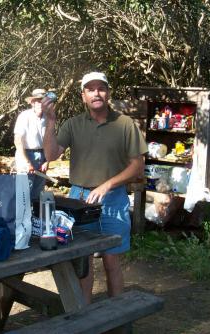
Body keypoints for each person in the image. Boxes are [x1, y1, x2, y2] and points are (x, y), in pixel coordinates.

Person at [42, 72, 147, 303]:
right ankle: (84, 317)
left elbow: (138, 166)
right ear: (83, 96)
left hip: (113, 198)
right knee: (83, 263)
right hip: (79, 199)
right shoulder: (73, 124)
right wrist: (50, 122)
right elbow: (50, 155)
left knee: (112, 261)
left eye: (101, 88)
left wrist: (107, 184)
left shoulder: (124, 124)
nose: (96, 93)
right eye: (91, 89)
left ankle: (118, 317)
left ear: (108, 93)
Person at [14, 88, 50, 200]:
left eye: (43, 101)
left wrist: (47, 160)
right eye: (38, 101)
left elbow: (51, 141)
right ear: (32, 102)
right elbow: (17, 140)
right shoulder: (24, 116)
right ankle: (22, 218)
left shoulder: (48, 118)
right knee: (24, 193)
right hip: (26, 154)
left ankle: (35, 217)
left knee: (38, 193)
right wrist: (26, 161)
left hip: (43, 156)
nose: (40, 104)